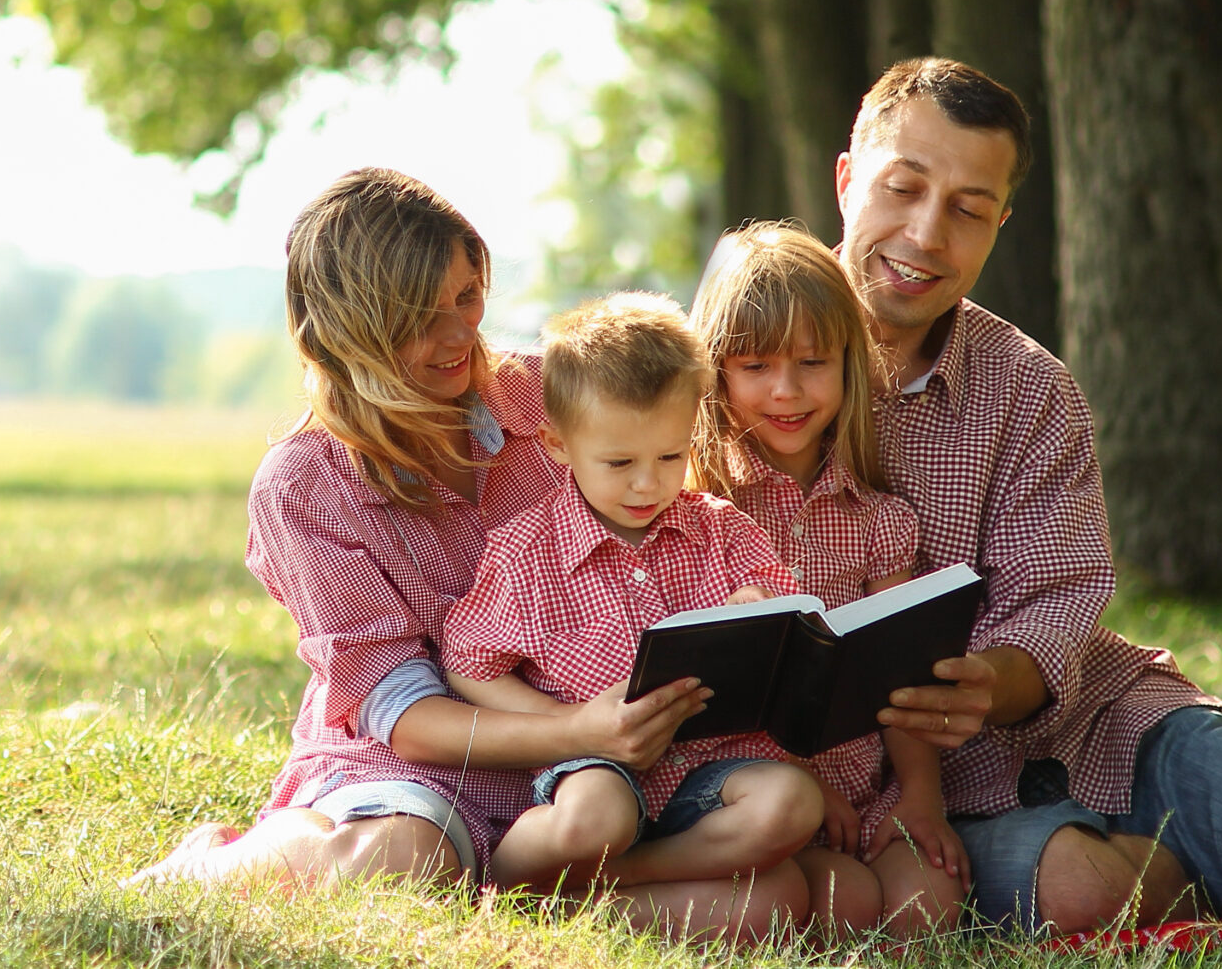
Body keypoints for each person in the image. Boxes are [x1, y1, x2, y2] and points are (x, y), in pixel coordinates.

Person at [834, 58, 1222, 934]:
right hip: (926, 797)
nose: (927, 234)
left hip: (1100, 724)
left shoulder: (1029, 387)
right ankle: (1183, 867)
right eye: (903, 188)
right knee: (1091, 894)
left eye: (969, 209)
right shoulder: (732, 363)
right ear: (849, 180)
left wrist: (986, 682)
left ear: (1000, 224)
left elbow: (1055, 611)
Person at [127, 169, 806, 941]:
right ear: (346, 330)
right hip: (419, 773)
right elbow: (406, 714)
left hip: (601, 783)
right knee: (405, 853)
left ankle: (532, 896)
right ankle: (212, 870)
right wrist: (581, 729)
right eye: (420, 317)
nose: (459, 335)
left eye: (466, 296)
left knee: (769, 902)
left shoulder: (544, 395)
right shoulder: (304, 485)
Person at [438, 292, 824, 937]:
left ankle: (591, 894)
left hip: (708, 773)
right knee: (597, 816)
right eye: (619, 463)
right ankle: (502, 887)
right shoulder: (528, 552)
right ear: (559, 445)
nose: (648, 485)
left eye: (670, 458)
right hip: (597, 767)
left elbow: (784, 618)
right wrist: (571, 726)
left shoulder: (720, 531)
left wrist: (759, 608)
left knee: (789, 814)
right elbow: (469, 664)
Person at [687, 221, 967, 937]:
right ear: (715, 372)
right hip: (748, 793)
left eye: (813, 362)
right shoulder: (699, 514)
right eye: (755, 367)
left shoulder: (879, 520)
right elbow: (713, 695)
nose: (787, 391)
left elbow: (900, 676)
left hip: (862, 786)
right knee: (847, 904)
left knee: (928, 906)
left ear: (850, 363)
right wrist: (803, 787)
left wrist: (921, 799)